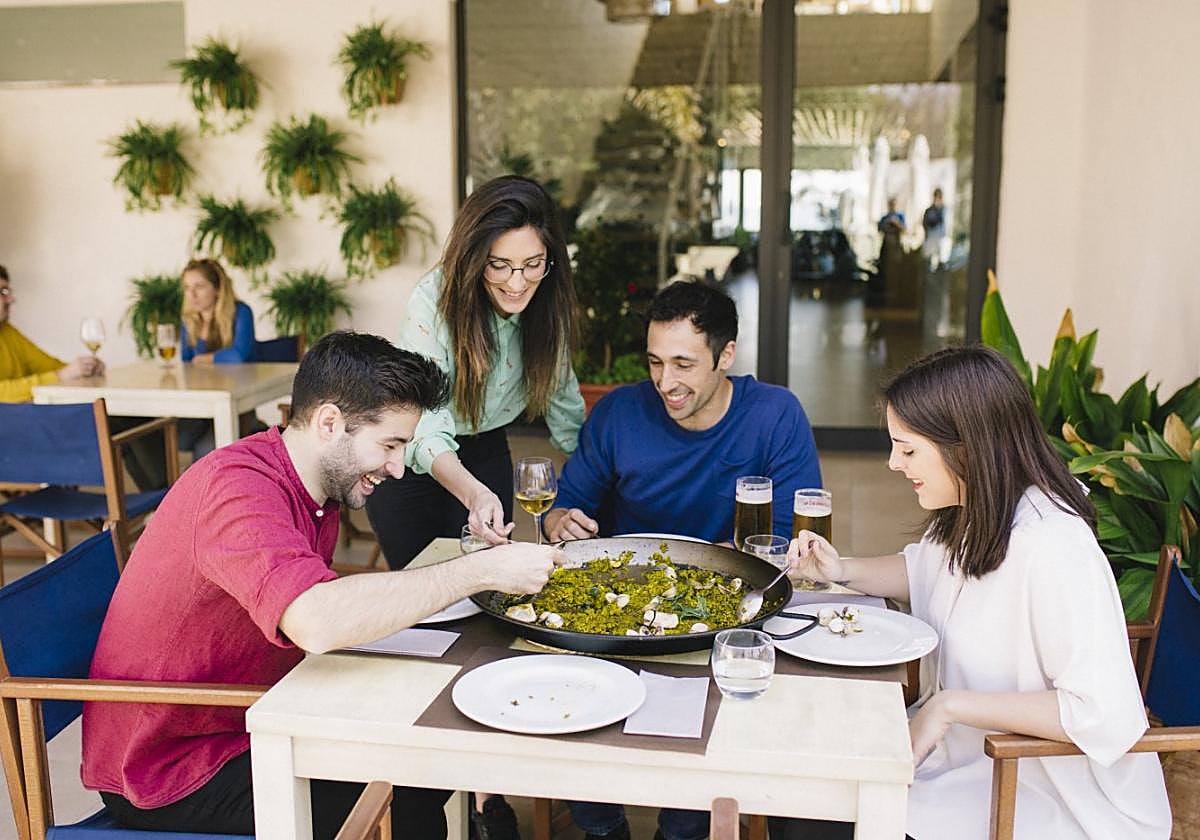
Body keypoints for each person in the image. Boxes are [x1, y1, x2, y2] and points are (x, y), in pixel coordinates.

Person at [81, 331, 563, 840]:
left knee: (428, 764)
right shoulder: (238, 489)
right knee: (409, 809)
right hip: (174, 766)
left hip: (249, 715)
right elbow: (316, 618)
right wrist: (480, 571)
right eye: (390, 445)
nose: (398, 468)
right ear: (329, 422)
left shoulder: (315, 485)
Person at [776, 345, 1171, 840]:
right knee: (806, 795)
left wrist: (949, 707)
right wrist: (840, 569)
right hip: (971, 761)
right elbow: (925, 573)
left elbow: (1101, 712)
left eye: (909, 448)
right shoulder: (978, 508)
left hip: (1042, 794)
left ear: (965, 446)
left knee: (819, 823)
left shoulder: (1053, 543)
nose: (894, 464)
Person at [543, 280, 821, 840]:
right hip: (623, 613)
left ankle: (683, 830)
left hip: (726, 616)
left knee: (706, 741)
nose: (666, 382)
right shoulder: (620, 412)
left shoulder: (774, 414)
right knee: (570, 709)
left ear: (726, 355)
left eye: (684, 364)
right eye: (655, 362)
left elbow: (795, 538)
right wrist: (559, 521)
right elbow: (565, 507)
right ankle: (602, 827)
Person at [365, 174, 584, 566]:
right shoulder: (433, 300)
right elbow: (426, 422)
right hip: (409, 457)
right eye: (499, 266)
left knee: (484, 584)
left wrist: (596, 481)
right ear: (475, 257)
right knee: (422, 599)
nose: (517, 283)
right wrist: (475, 493)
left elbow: (566, 411)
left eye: (532, 265)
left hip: (485, 448)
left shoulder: (549, 307)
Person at [120, 258, 258, 490]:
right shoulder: (189, 320)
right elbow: (185, 363)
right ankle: (164, 500)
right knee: (148, 434)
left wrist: (204, 359)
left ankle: (204, 510)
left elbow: (239, 355)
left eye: (199, 286)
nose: (191, 294)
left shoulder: (240, 312)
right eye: (187, 288)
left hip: (235, 407)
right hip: (199, 409)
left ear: (217, 288)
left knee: (205, 453)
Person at [0, 263, 104, 402]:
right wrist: (61, 375)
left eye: (8, 292)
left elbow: (48, 366)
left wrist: (84, 369)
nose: (11, 299)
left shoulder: (8, 332)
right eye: (2, 292)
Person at [869, 197, 905, 308]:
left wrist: (896, 223)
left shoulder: (899, 217)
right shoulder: (885, 217)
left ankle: (896, 294)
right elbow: (879, 229)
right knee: (884, 271)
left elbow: (904, 229)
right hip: (886, 248)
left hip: (896, 248)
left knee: (896, 271)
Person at [920, 188, 946, 270]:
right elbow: (926, 224)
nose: (938, 199)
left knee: (941, 265)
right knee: (928, 265)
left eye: (939, 197)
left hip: (941, 241)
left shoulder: (944, 210)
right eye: (936, 196)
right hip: (930, 241)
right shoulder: (929, 211)